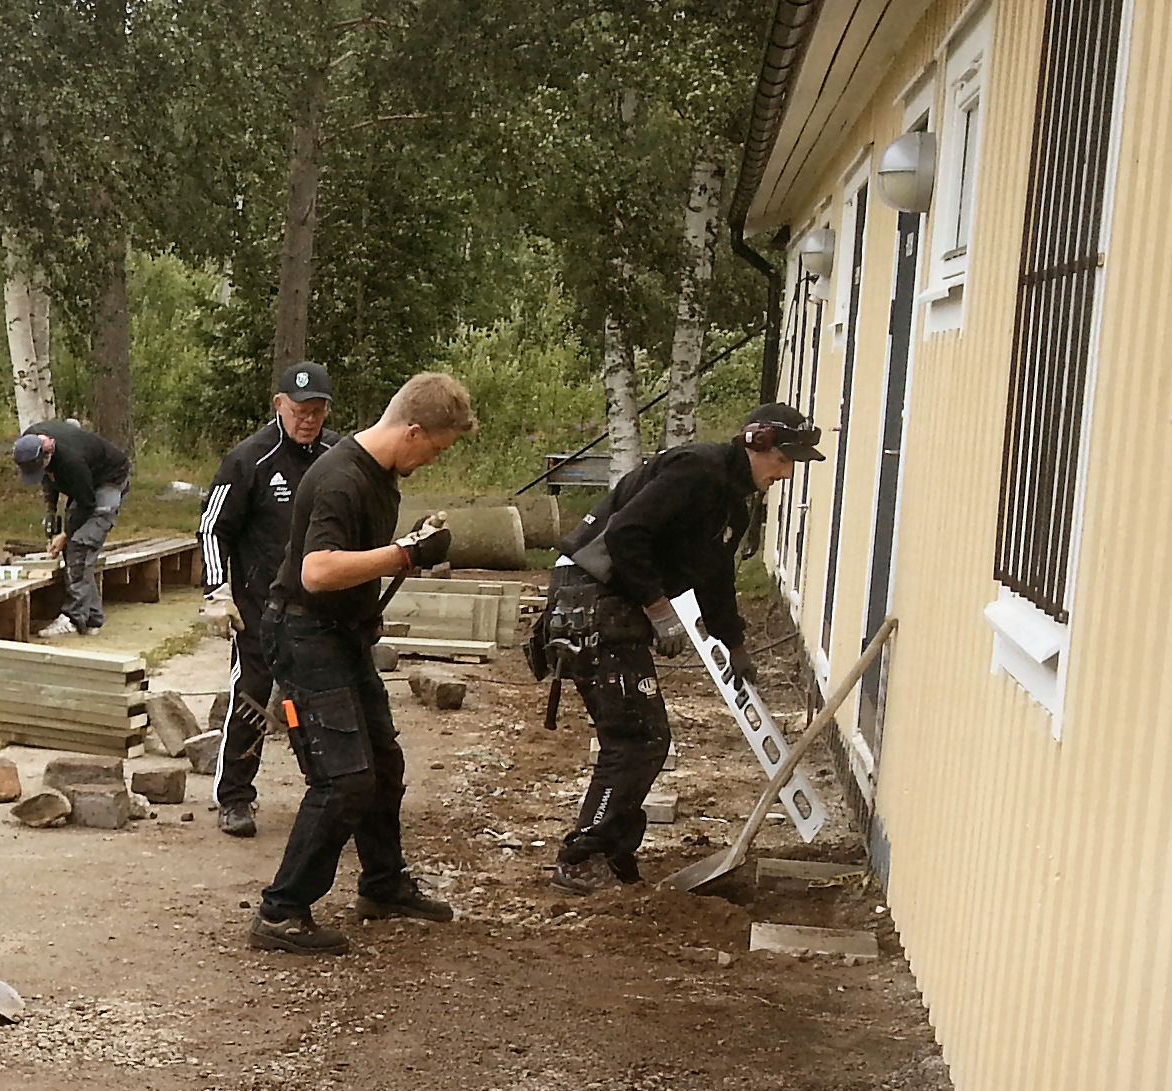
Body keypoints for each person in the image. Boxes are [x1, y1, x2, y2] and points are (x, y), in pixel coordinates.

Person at [535, 402, 824, 891]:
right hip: (590, 597)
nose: (786, 472)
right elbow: (626, 534)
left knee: (641, 735)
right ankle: (581, 856)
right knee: (636, 738)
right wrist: (658, 609)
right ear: (756, 444)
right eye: (783, 459)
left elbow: (715, 576)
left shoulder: (731, 498)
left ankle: (614, 853)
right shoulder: (698, 471)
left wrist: (733, 642)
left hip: (610, 599)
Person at [248, 369, 479, 955]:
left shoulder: (379, 476)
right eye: (434, 449)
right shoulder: (341, 478)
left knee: (384, 763)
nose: (431, 460)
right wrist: (402, 553)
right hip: (303, 634)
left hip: (344, 634)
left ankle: (381, 885)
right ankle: (281, 912)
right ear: (413, 429)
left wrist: (410, 544)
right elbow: (317, 571)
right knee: (343, 779)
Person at [198, 362, 335, 838]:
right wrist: (217, 590)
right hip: (257, 609)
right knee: (253, 699)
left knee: (320, 702)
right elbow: (213, 527)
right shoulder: (249, 460)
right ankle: (235, 797)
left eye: (317, 411)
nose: (308, 420)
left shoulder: (338, 456)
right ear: (280, 405)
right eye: (300, 410)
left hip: (320, 609)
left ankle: (332, 792)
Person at [12, 417, 132, 632]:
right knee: (74, 552)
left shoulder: (71, 462)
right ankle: (93, 619)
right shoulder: (30, 442)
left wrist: (65, 534)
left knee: (81, 546)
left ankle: (74, 618)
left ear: (47, 455)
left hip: (109, 480)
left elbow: (87, 503)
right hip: (85, 481)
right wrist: (51, 511)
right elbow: (48, 478)